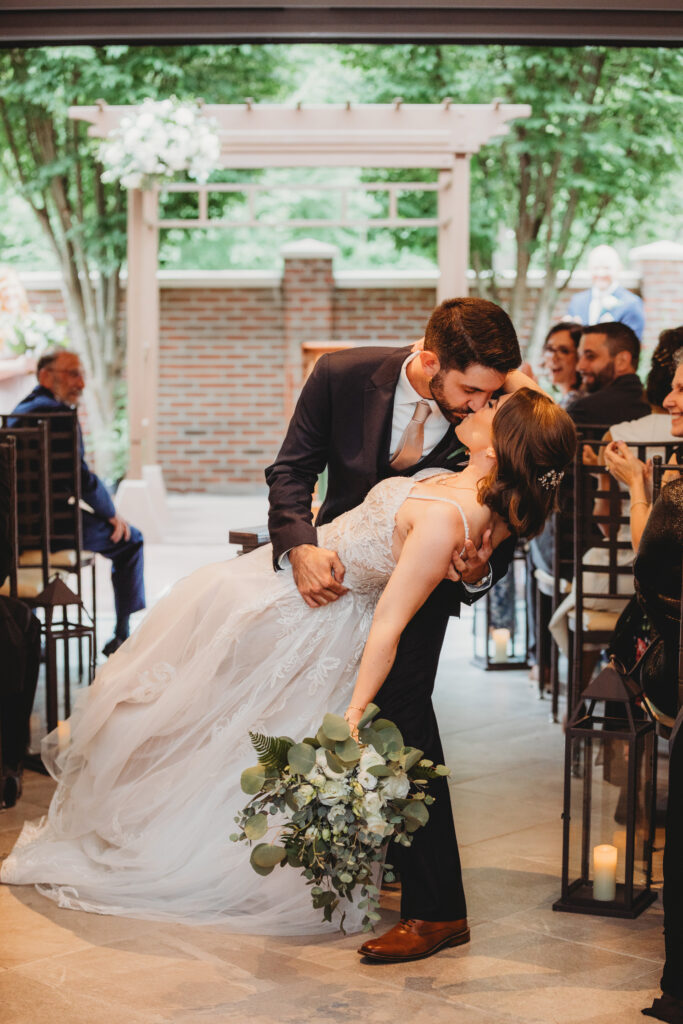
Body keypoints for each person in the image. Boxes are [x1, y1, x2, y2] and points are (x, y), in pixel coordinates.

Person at [1, 383, 577, 943]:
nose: (482, 400)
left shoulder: (449, 516)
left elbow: (390, 623)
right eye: (484, 390)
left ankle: (425, 906)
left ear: (500, 445)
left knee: (211, 719)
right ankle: (147, 820)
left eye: (494, 403)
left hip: (312, 612)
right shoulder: (465, 482)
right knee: (194, 712)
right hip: (284, 581)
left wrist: (354, 709)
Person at [266, 296, 522, 961]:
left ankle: (437, 910)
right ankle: (356, 856)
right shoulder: (341, 375)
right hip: (335, 566)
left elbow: (511, 508)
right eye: (468, 389)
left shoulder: (491, 416)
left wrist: (473, 573)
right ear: (429, 359)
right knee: (308, 704)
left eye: (490, 394)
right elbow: (292, 468)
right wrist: (299, 546)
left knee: (402, 712)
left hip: (423, 583)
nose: (475, 407)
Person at [10, 350, 145, 656]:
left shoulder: (19, 411)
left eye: (81, 374)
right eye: (73, 374)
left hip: (16, 529)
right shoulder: (58, 415)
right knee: (131, 539)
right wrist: (111, 513)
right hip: (53, 527)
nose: (81, 383)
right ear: (46, 376)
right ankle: (122, 636)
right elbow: (80, 479)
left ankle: (33, 640)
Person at [569, 321, 650, 429]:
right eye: (579, 357)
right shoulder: (655, 408)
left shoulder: (583, 411)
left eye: (590, 356)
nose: (579, 366)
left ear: (622, 361)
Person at [566, 244, 645, 340]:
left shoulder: (631, 303)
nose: (601, 273)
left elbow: (633, 344)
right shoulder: (577, 301)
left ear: (618, 268)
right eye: (596, 268)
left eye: (606, 268)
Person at [542, 321, 583, 409]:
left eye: (564, 351)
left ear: (580, 356)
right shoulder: (565, 399)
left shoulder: (575, 402)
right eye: (549, 349)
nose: (553, 358)